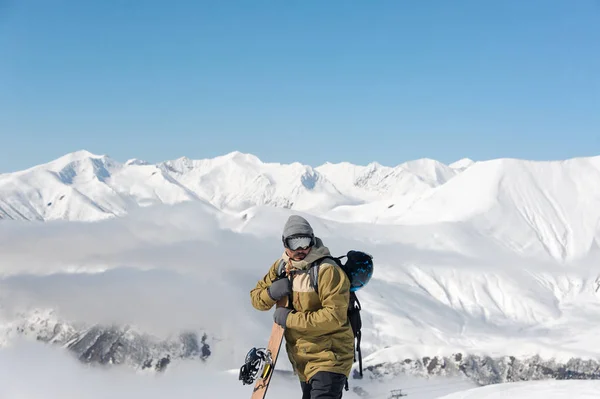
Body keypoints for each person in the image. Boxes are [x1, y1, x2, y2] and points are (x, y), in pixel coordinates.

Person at [250, 215, 354, 399]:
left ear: (312, 241)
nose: (300, 249)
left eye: (305, 242)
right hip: (302, 362)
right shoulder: (282, 267)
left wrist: (289, 319)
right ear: (285, 244)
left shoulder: (327, 270)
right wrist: (271, 293)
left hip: (330, 358)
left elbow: (334, 317)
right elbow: (256, 300)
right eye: (294, 243)